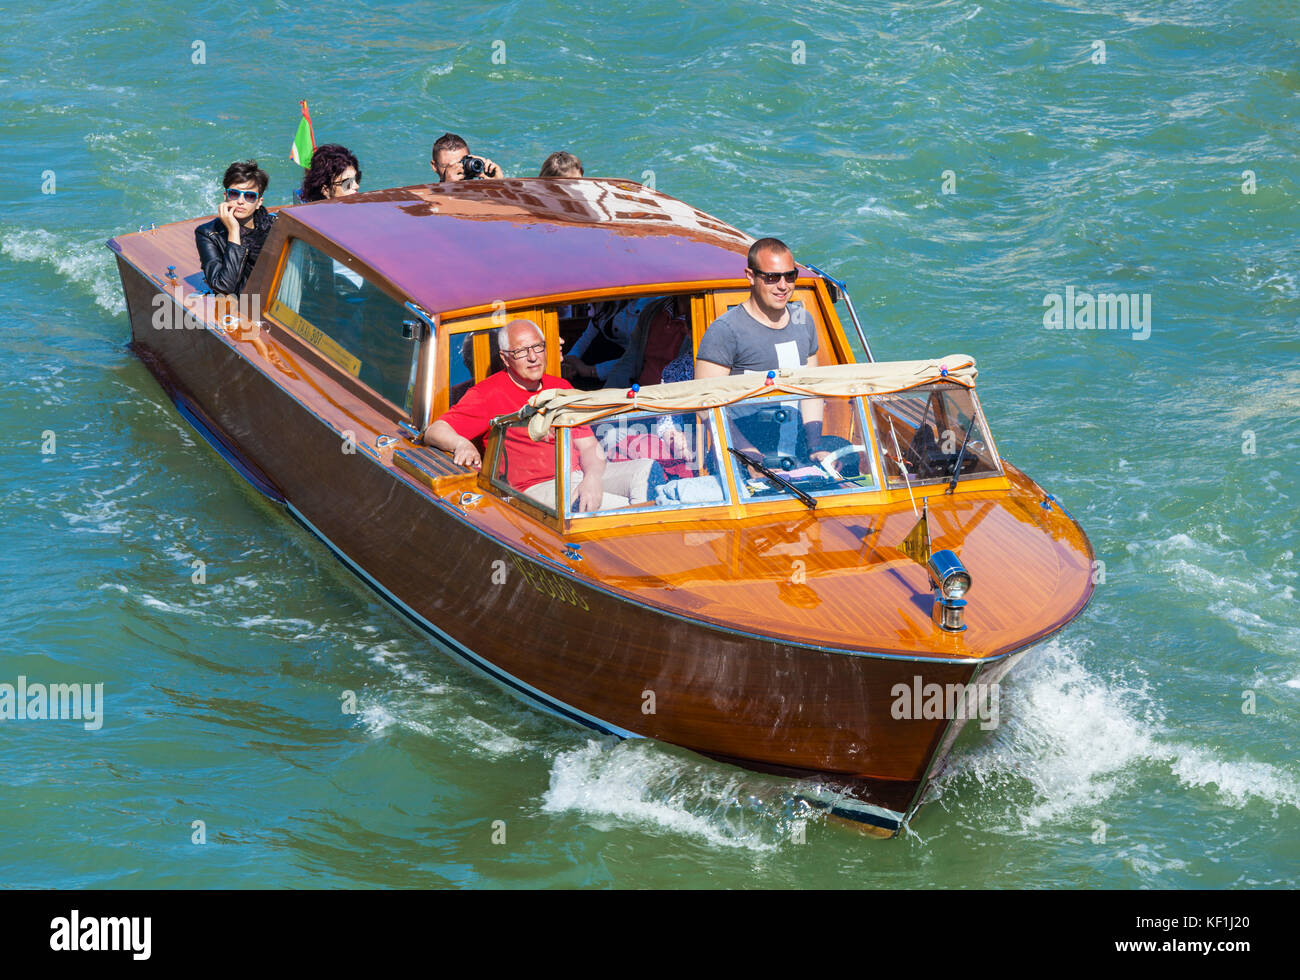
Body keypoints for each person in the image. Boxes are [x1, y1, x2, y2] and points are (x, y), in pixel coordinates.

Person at [425, 319, 646, 512]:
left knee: (645, 472)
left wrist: (593, 478)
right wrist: (461, 444)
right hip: (533, 489)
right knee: (623, 508)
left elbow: (588, 446)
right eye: (521, 351)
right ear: (505, 358)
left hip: (578, 476)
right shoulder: (487, 394)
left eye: (538, 347)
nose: (533, 357)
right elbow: (435, 431)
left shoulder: (561, 387)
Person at [695, 237, 827, 463]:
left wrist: (815, 446)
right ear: (750, 276)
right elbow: (704, 404)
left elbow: (811, 390)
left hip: (794, 457)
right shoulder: (725, 330)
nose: (783, 285)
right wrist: (747, 454)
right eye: (772, 277)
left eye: (790, 275)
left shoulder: (803, 321)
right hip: (739, 463)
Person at [195, 160, 276, 294]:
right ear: (225, 196)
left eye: (249, 196)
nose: (240, 201)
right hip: (242, 305)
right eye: (234, 194)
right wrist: (234, 231)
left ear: (258, 203)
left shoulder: (273, 226)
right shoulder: (208, 233)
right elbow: (224, 286)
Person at [431, 133, 503, 182]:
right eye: (448, 166)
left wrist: (499, 184)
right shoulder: (428, 198)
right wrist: (448, 187)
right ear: (434, 166)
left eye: (462, 163)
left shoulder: (484, 190)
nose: (459, 170)